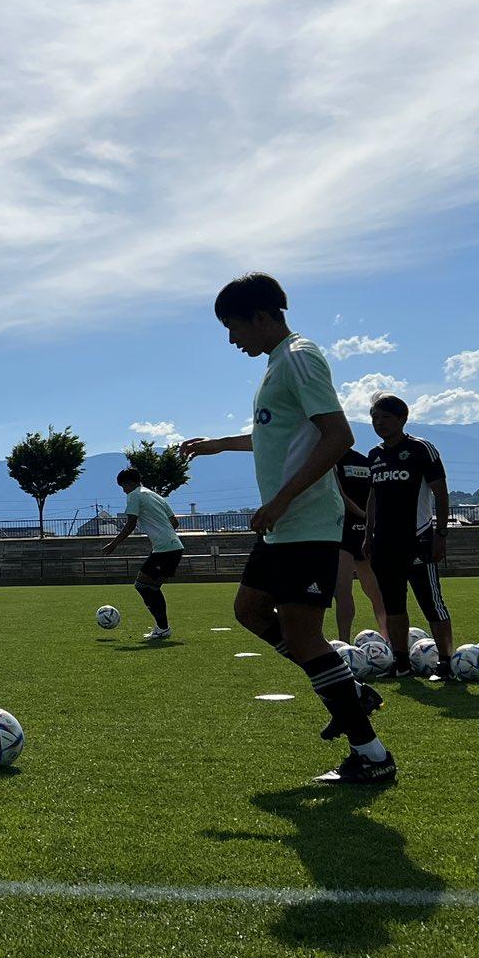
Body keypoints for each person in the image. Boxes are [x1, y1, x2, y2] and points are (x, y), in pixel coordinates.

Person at [180, 273, 393, 784]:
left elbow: (338, 435)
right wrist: (219, 445)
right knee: (250, 612)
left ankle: (372, 755)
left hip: (307, 526)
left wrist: (281, 500)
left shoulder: (299, 356)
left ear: (260, 317)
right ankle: (348, 691)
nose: (232, 340)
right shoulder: (278, 364)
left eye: (233, 328)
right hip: (285, 527)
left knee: (303, 635)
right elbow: (277, 436)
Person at [364, 395, 456, 681]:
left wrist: (440, 534)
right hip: (383, 544)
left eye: (385, 417)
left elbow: (440, 492)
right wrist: (368, 535)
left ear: (402, 419)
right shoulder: (374, 455)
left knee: (432, 603)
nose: (379, 423)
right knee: (393, 605)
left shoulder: (420, 449)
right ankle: (401, 663)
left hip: (417, 540)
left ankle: (445, 663)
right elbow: (373, 497)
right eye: (375, 418)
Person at [101, 466, 183, 640]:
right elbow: (175, 523)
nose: (124, 491)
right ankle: (162, 627)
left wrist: (114, 544)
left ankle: (163, 628)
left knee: (142, 585)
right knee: (151, 587)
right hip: (174, 547)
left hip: (165, 549)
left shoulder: (134, 495)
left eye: (123, 487)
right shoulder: (155, 495)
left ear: (130, 483)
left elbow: (131, 524)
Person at [332, 444, 388, 645]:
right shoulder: (365, 460)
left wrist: (365, 517)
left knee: (344, 590)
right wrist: (369, 520)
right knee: (375, 590)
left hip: (344, 530)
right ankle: (387, 640)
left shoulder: (331, 460)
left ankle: (344, 643)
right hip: (363, 530)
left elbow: (340, 496)